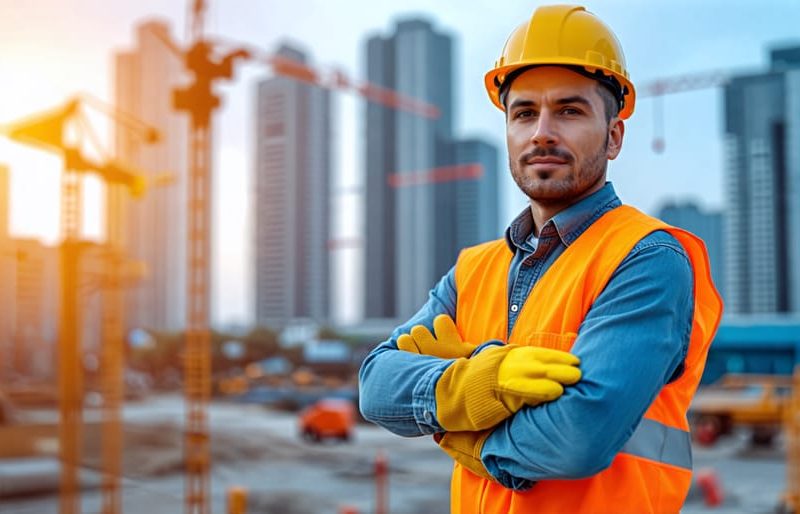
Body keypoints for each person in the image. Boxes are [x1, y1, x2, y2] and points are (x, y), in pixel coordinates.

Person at [358, 5, 723, 514]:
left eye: (570, 111)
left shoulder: (647, 257)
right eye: (524, 113)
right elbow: (375, 384)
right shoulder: (474, 270)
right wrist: (476, 384)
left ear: (614, 136)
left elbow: (578, 437)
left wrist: (463, 435)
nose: (541, 133)